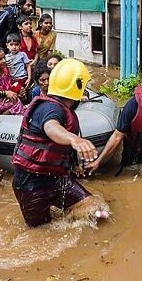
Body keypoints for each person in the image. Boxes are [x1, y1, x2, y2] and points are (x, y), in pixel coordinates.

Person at [11, 59, 107, 227]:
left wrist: (74, 163)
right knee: (40, 231)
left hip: (56, 179)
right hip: (31, 183)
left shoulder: (63, 108)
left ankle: (68, 221)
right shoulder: (50, 108)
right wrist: (74, 139)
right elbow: (51, 128)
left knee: (94, 208)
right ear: (78, 86)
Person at [0, 46, 25, 115]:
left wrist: (18, 90)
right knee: (16, 103)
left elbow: (9, 87)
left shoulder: (5, 70)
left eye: (4, 57)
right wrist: (5, 93)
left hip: (8, 98)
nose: (4, 61)